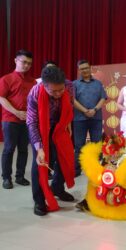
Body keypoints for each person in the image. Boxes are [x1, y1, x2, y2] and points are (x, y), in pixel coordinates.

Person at [27, 66, 75, 216]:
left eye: (61, 90)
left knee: (63, 158)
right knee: (40, 163)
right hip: (41, 127)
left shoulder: (69, 87)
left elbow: (69, 107)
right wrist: (39, 148)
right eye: (53, 91)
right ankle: (39, 200)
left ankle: (57, 188)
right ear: (44, 85)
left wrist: (67, 125)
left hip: (59, 126)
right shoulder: (35, 92)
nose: (59, 94)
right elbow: (32, 122)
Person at [0, 49, 36, 189]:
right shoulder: (6, 79)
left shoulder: (32, 81)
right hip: (10, 120)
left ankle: (20, 176)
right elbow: (1, 98)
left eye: (29, 63)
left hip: (27, 121)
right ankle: (6, 178)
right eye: (24, 62)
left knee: (23, 149)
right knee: (9, 148)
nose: (26, 65)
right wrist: (16, 112)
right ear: (16, 61)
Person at [73, 60, 107, 177]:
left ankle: (97, 168)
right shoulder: (75, 84)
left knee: (97, 144)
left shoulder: (98, 83)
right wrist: (85, 111)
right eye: (82, 69)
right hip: (79, 119)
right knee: (79, 145)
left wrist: (94, 110)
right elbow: (72, 100)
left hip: (96, 118)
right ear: (79, 70)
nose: (85, 70)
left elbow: (103, 98)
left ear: (90, 68)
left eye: (86, 68)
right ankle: (77, 170)